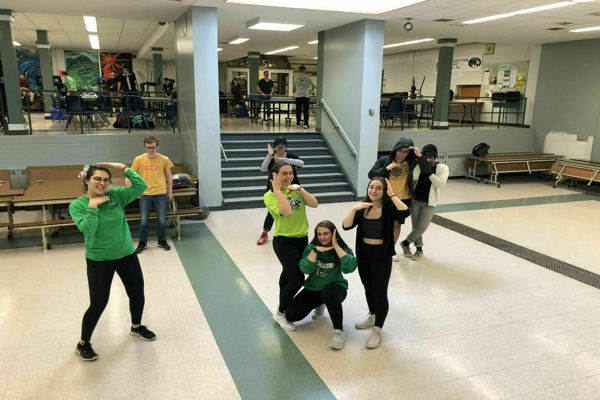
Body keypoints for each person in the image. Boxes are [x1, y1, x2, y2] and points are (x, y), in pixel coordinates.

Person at [69, 163, 156, 361]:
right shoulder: (77, 205)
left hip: (126, 255)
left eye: (106, 180)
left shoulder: (115, 195)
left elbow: (141, 186)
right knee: (98, 303)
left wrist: (123, 168)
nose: (102, 183)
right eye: (97, 179)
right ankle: (83, 343)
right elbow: (89, 230)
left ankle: (136, 327)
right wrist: (93, 206)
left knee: (137, 293)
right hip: (99, 260)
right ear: (87, 180)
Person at [343, 177, 408, 349]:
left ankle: (378, 328)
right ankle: (372, 316)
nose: (374, 190)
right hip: (364, 254)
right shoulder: (363, 208)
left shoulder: (389, 208)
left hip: (381, 256)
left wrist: (392, 195)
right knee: (368, 287)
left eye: (379, 188)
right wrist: (354, 208)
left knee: (380, 292)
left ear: (384, 191)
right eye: (371, 187)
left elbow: (405, 212)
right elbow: (346, 226)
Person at [285, 221, 357, 350]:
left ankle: (339, 333)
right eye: (319, 234)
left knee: (328, 294)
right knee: (291, 315)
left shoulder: (342, 249)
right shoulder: (311, 248)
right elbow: (305, 269)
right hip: (314, 289)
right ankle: (320, 303)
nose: (322, 237)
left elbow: (350, 268)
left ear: (334, 234)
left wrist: (336, 247)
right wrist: (315, 251)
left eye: (326, 234)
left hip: (335, 288)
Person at [264, 161, 318, 331]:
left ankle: (283, 303)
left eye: (291, 173)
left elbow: (314, 204)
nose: (289, 176)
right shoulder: (269, 196)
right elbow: (287, 212)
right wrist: (278, 191)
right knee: (297, 278)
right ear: (275, 176)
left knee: (288, 273)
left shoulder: (296, 189)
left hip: (301, 239)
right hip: (284, 241)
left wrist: (300, 189)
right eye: (284, 173)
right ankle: (280, 313)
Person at [368, 138, 417, 259]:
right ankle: (380, 247)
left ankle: (391, 250)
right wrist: (387, 168)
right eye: (400, 151)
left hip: (402, 199)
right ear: (395, 149)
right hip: (386, 199)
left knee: (396, 225)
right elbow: (371, 174)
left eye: (406, 152)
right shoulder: (384, 160)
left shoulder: (411, 162)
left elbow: (425, 164)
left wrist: (418, 154)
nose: (402, 154)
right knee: (383, 224)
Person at [400, 144, 448, 259]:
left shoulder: (442, 168)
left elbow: (440, 184)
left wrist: (429, 172)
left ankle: (405, 243)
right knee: (415, 226)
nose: (428, 157)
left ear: (435, 156)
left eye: (430, 155)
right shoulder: (418, 165)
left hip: (429, 202)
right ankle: (419, 249)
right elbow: (412, 180)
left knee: (422, 227)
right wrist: (422, 165)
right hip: (415, 201)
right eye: (425, 155)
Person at [131, 136, 174, 253]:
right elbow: (132, 174)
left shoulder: (164, 159)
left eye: (153, 147)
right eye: (148, 147)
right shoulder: (138, 159)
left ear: (157, 146)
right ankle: (142, 242)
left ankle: (162, 241)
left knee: (162, 220)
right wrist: (129, 181)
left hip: (161, 193)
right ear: (145, 147)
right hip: (145, 194)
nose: (151, 150)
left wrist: (170, 191)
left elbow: (169, 176)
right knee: (144, 220)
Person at [257, 137, 304, 245]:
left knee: (294, 209)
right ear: (275, 148)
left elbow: (301, 163)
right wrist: (269, 155)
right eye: (278, 147)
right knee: (272, 212)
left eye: (282, 147)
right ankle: (265, 233)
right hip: (275, 188)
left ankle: (293, 232)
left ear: (285, 147)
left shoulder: (290, 156)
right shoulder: (271, 158)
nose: (280, 149)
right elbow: (263, 169)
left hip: (291, 188)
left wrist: (285, 160)